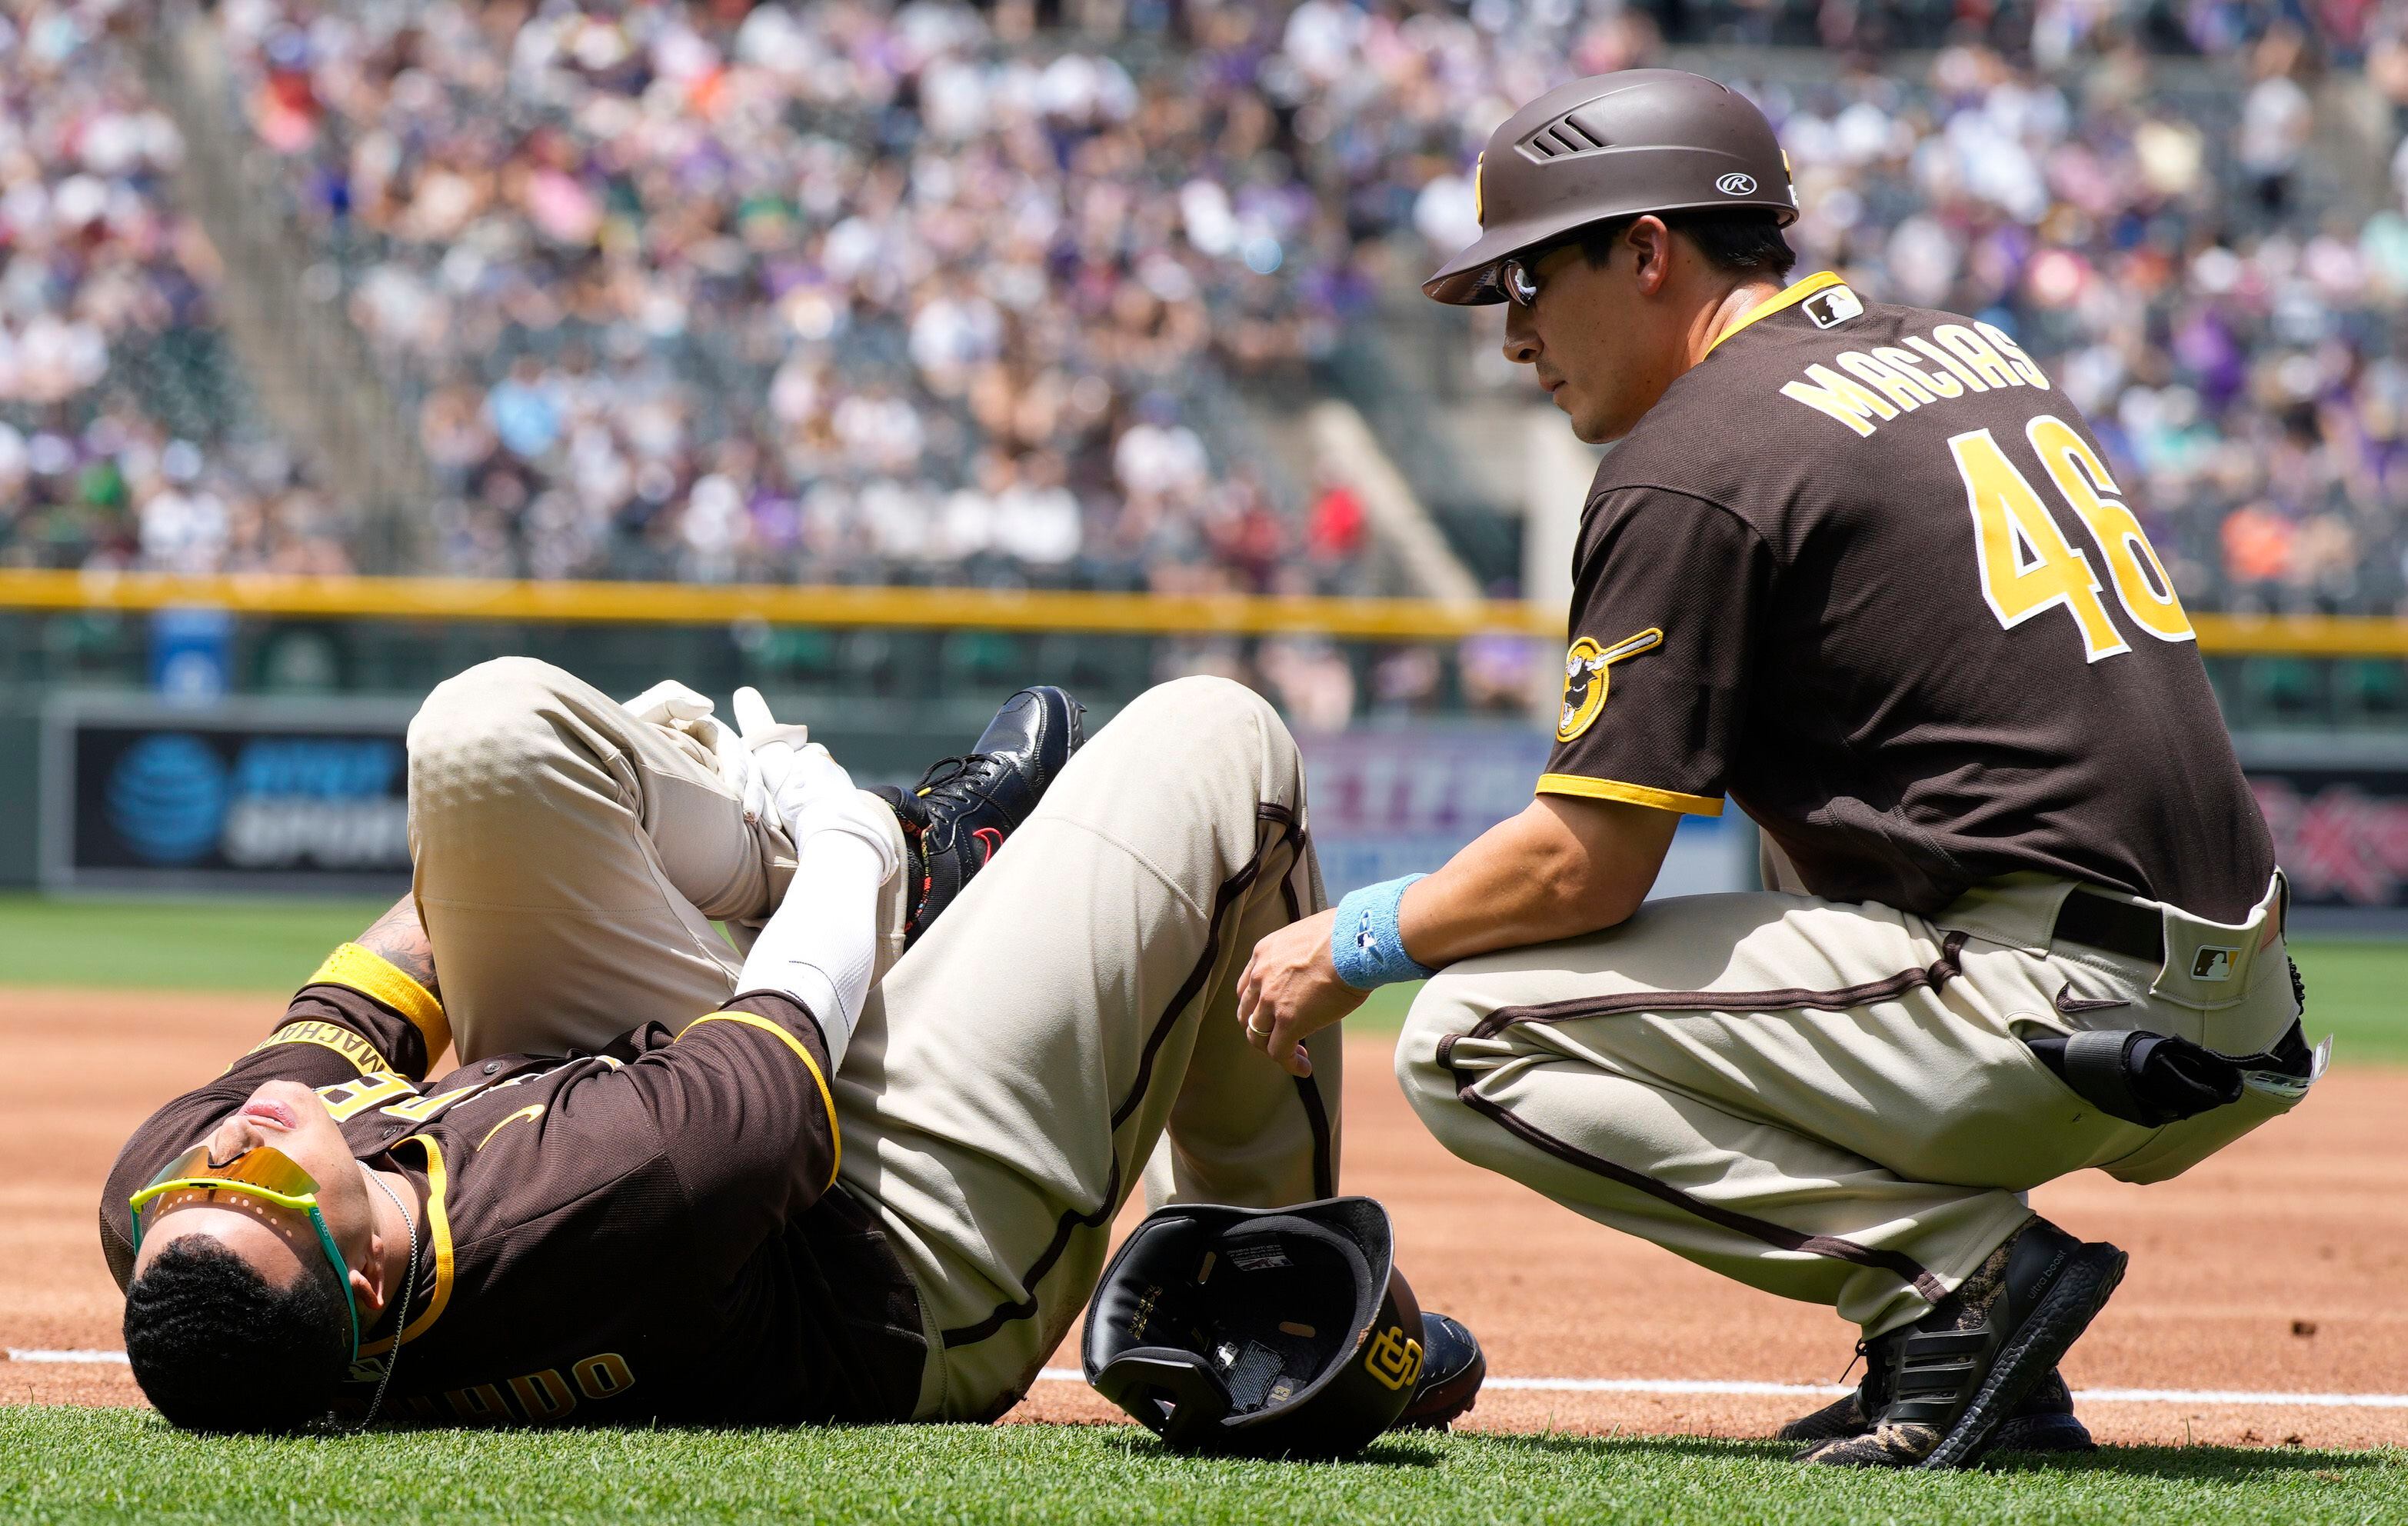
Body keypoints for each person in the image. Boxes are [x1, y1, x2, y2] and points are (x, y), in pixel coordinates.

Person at [1234, 69, 2320, 1471]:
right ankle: (1953, 1352)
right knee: (1777, 833)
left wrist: (1359, 935)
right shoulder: (1961, 347)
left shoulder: (1698, 456)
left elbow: (1583, 863)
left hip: (2056, 995)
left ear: (1644, 252)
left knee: (1466, 1036)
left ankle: (1956, 1291)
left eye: (1526, 282)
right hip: (2229, 1001)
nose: (1513, 338)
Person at [104, 662, 1355, 1431]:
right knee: (1220, 742)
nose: (229, 1145)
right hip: (881, 1238)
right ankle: (1274, 1293)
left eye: (197, 1182)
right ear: (368, 1286)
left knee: (484, 737)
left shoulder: (173, 1213)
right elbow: (796, 1004)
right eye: (255, 1188)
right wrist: (842, 825)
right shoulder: (587, 1205)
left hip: (675, 1099)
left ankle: (831, 852)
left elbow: (397, 960)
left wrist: (604, 801)